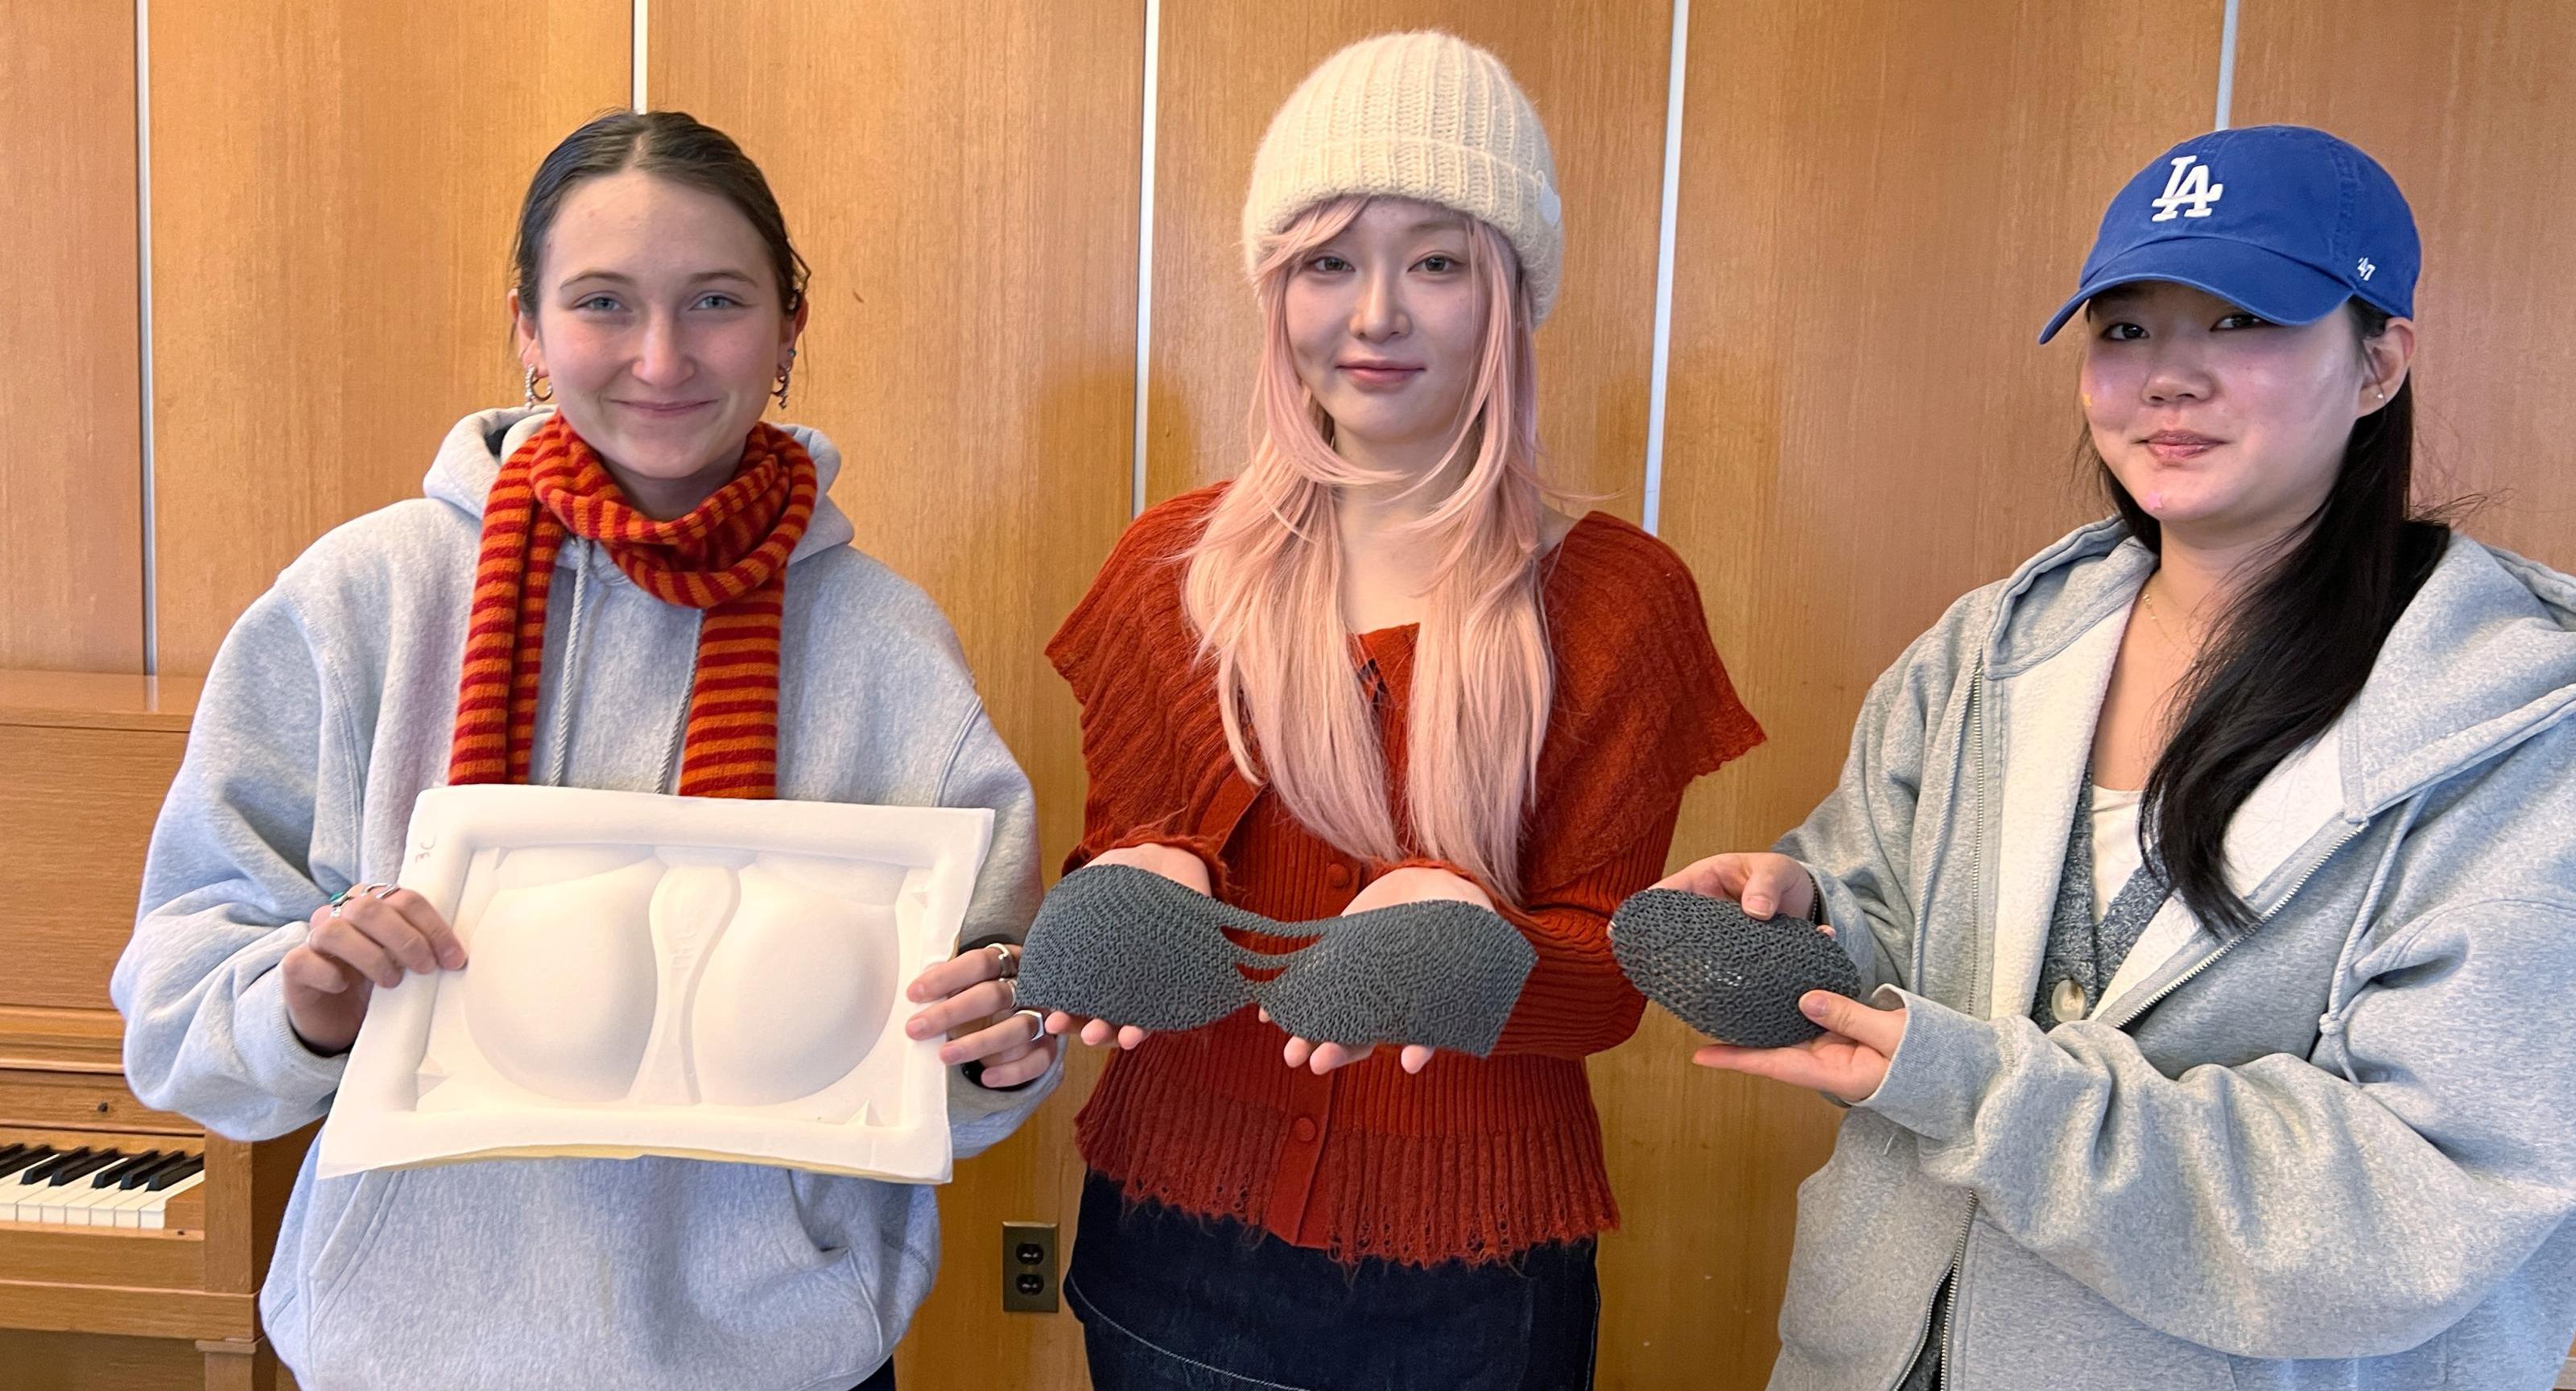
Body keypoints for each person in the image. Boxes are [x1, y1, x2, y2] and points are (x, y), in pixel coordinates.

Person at [112, 110, 1058, 1391]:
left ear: (789, 329)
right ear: (528, 328)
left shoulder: (887, 648)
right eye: (603, 301)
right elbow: (172, 1013)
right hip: (408, 1354)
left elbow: (957, 1076)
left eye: (715, 301)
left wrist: (997, 1045)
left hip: (777, 1361)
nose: (661, 356)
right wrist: (307, 999)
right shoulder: (366, 600)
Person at [1668, 125, 2576, 1389]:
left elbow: (2416, 1203)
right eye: (2127, 329)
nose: (2167, 379)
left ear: (2380, 363)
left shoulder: (2514, 732)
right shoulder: (1986, 650)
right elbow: (1889, 918)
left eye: (2245, 323)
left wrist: (1987, 1091)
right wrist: (1808, 921)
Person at [1042, 31, 1762, 1390]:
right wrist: (1137, 879)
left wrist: (1480, 954)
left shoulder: (1620, 600)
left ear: (1508, 296)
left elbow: (1608, 977)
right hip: (1173, 1265)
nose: (1375, 315)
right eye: (1328, 262)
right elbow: (1113, 885)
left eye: (1435, 261)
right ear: (1279, 290)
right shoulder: (1167, 573)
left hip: (1478, 1292)